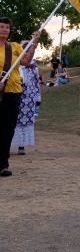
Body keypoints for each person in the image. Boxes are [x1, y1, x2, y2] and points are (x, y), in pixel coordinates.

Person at [0, 18, 40, 176]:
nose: (4, 29)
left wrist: (35, 42)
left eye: (7, 27)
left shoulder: (14, 47)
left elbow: (27, 61)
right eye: (1, 26)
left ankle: (3, 164)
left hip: (14, 92)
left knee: (8, 128)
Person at [11, 41, 41, 155]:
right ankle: (9, 145)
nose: (27, 53)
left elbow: (36, 82)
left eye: (28, 50)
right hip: (16, 96)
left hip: (29, 99)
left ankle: (21, 146)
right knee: (14, 121)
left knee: (25, 122)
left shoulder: (34, 66)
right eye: (25, 50)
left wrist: (38, 97)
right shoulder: (15, 64)